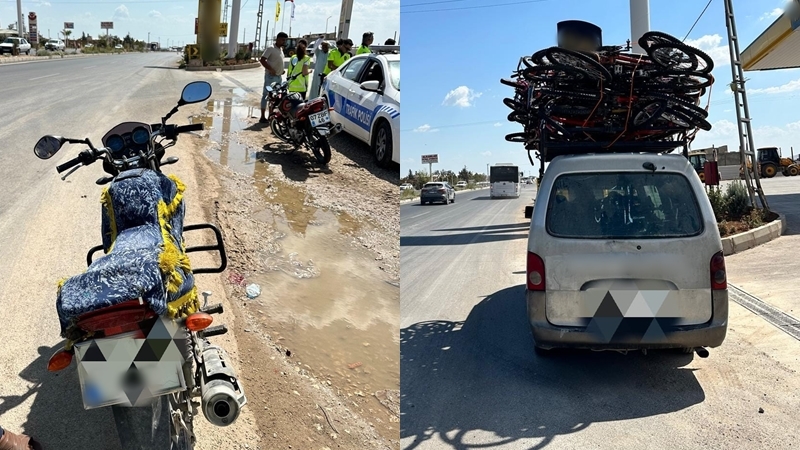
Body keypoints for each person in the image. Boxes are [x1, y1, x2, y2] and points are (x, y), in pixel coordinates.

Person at [259, 32, 287, 124]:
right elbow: (262, 60)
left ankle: (270, 116)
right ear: (278, 39)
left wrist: (281, 70)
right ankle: (262, 116)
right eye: (283, 40)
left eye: (285, 40)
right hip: (270, 77)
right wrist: (270, 69)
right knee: (266, 96)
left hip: (278, 77)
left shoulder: (281, 49)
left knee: (275, 97)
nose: (284, 41)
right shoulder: (271, 48)